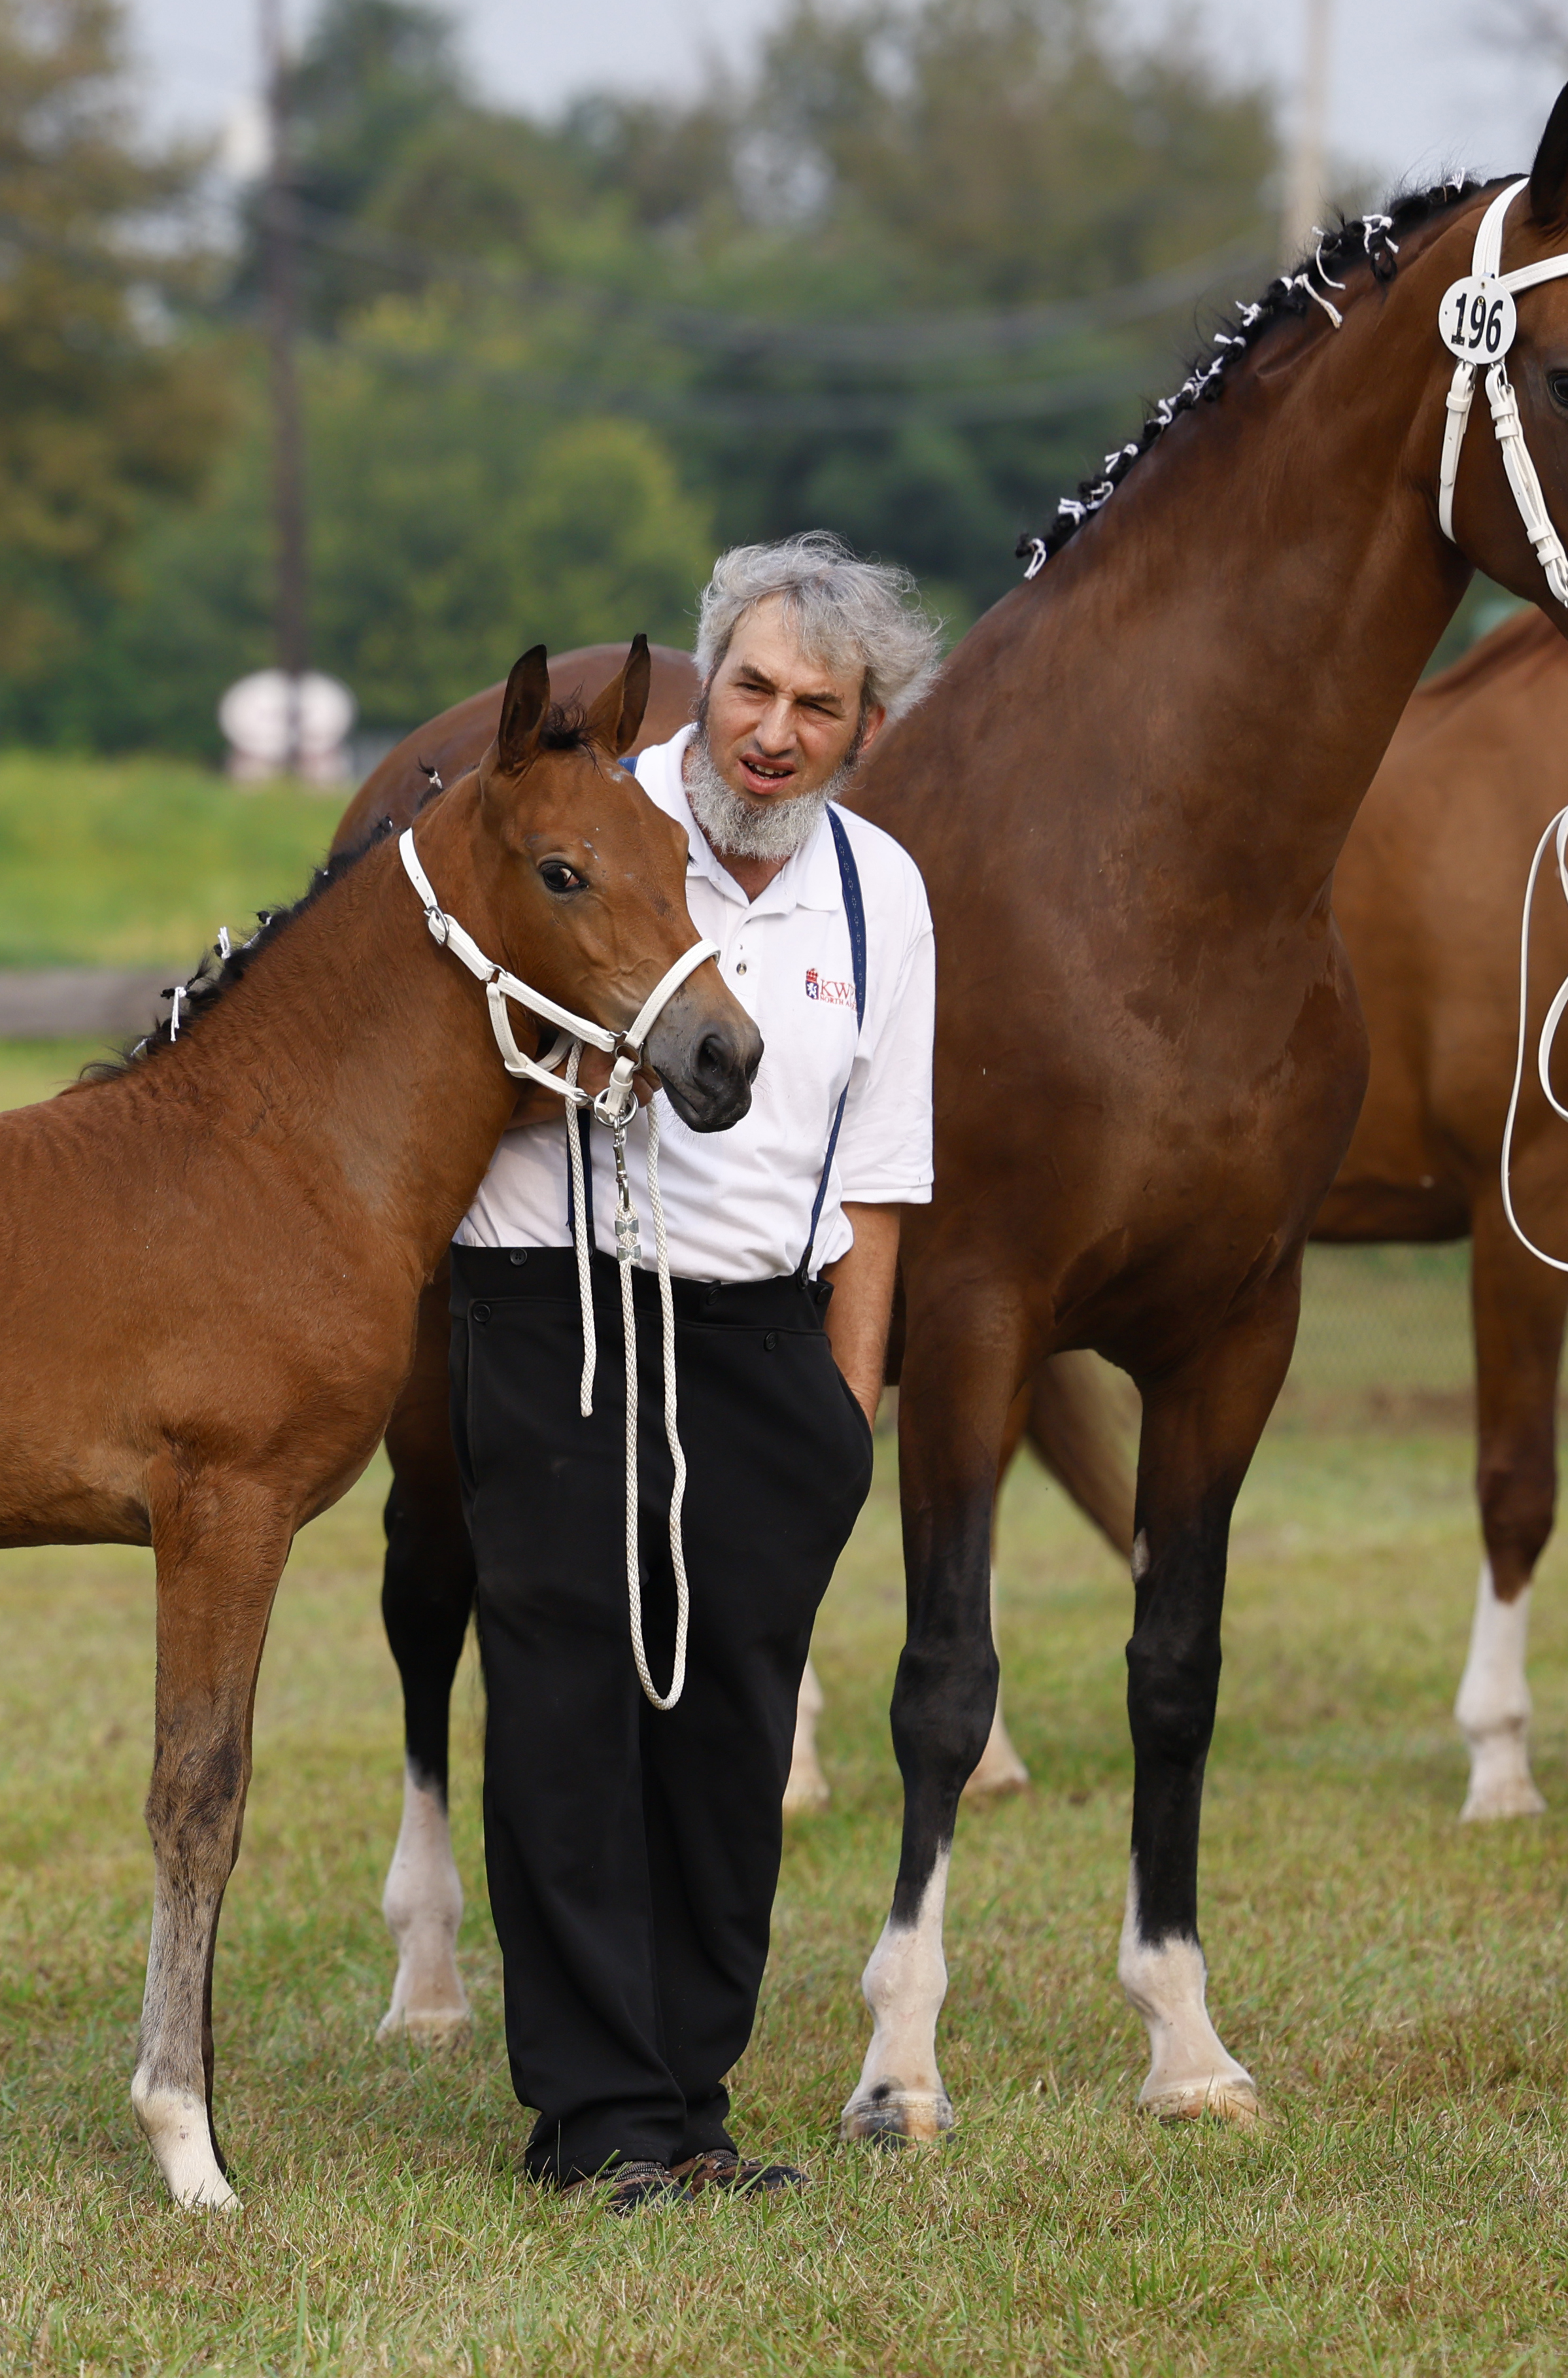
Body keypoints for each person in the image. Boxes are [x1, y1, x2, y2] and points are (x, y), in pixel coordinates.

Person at [449, 532, 940, 2209]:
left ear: (865, 726)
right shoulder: (576, 824)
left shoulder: (882, 893)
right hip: (561, 1308)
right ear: (702, 681)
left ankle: (692, 2106)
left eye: (818, 705)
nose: (775, 731)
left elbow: (880, 1182)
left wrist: (841, 1420)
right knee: (573, 1716)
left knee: (729, 1736)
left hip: (762, 1349)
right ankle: (593, 2124)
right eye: (751, 686)